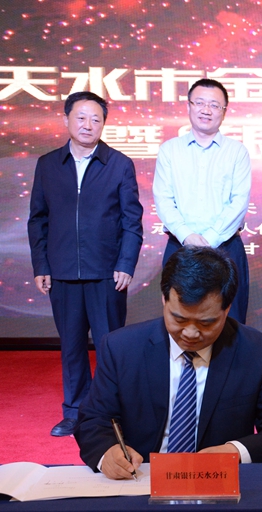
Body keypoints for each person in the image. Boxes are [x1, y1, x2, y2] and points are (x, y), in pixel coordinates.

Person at [75, 247, 262, 479]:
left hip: (218, 482)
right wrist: (107, 452)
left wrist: (234, 452)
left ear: (226, 309)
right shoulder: (122, 347)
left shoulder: (256, 350)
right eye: (179, 319)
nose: (191, 333)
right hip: (141, 478)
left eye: (206, 323)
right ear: (164, 299)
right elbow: (93, 420)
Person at [27, 91, 144, 437]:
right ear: (66, 120)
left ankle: (111, 414)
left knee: (111, 347)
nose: (88, 125)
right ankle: (75, 411)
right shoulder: (48, 164)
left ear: (104, 124)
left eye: (96, 119)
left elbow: (132, 221)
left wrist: (126, 264)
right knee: (72, 347)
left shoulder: (119, 164)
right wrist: (41, 265)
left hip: (107, 273)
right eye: (81, 117)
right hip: (62, 273)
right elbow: (38, 219)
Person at [153, 78, 251, 323]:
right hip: (180, 246)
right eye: (200, 103)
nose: (206, 110)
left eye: (214, 105)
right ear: (189, 106)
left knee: (230, 322)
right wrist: (187, 236)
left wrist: (210, 240)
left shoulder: (237, 151)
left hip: (226, 247)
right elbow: (163, 199)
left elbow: (239, 202)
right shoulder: (169, 150)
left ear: (224, 112)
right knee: (179, 320)